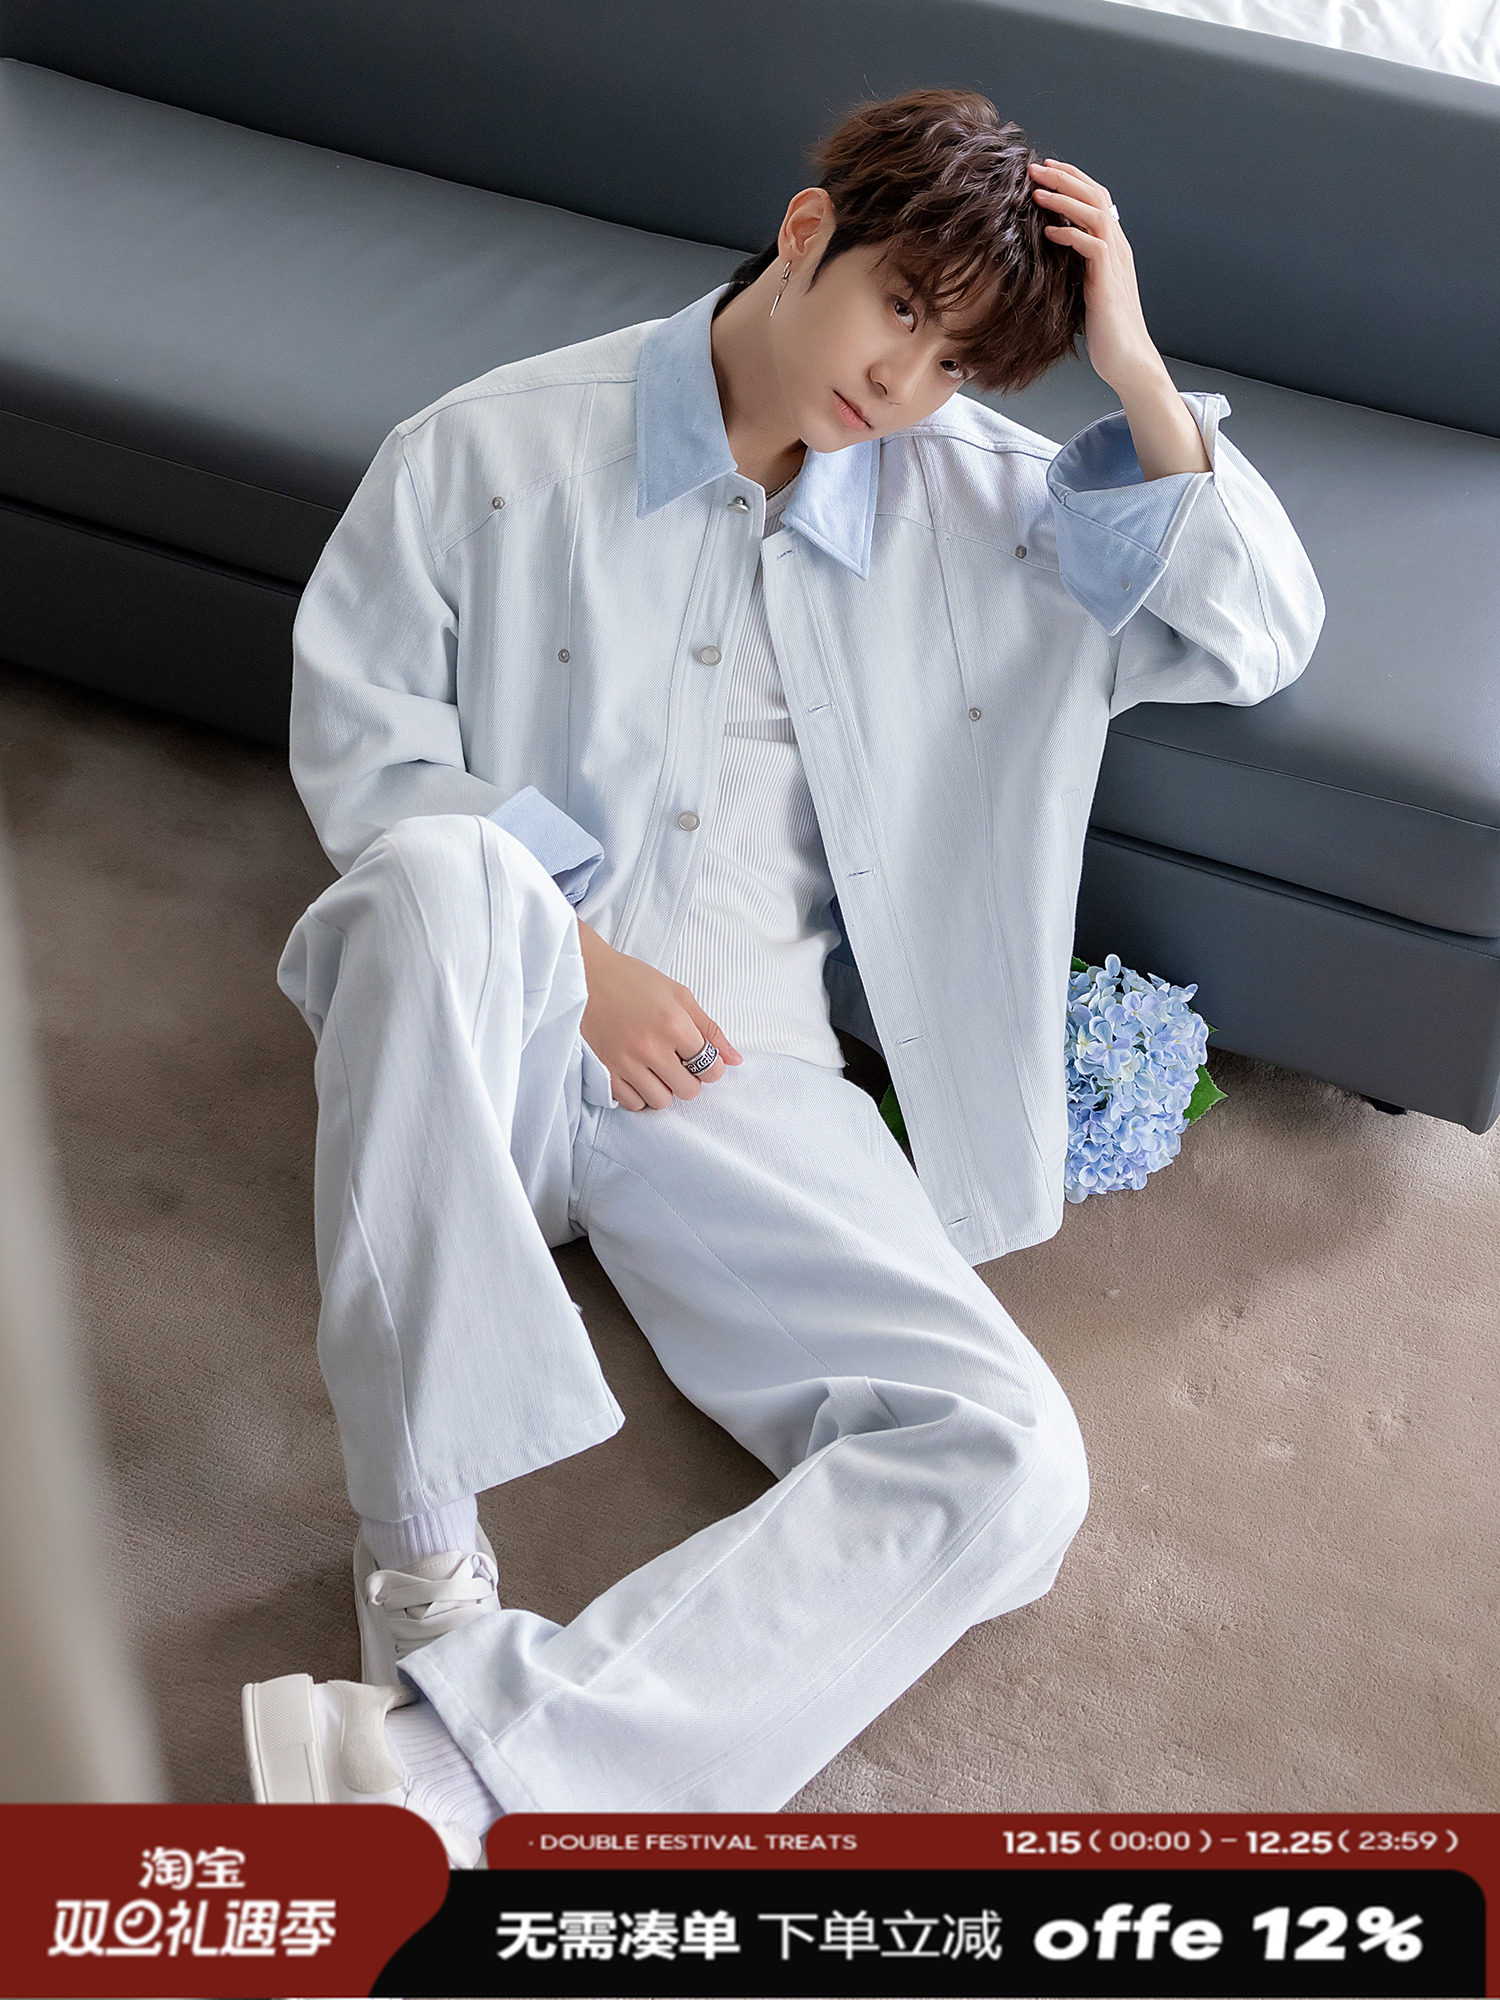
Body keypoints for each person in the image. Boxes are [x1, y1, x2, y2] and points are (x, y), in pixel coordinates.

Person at [239, 89, 1324, 1855]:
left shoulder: (987, 506)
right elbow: (365, 752)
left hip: (743, 1083)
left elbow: (1257, 633)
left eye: (957, 364)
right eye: (901, 308)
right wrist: (580, 956)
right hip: (492, 1018)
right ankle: (420, 1556)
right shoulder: (492, 445)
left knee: (1014, 1463)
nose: (905, 384)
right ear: (809, 230)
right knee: (435, 873)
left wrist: (1131, 368)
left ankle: (453, 1779)